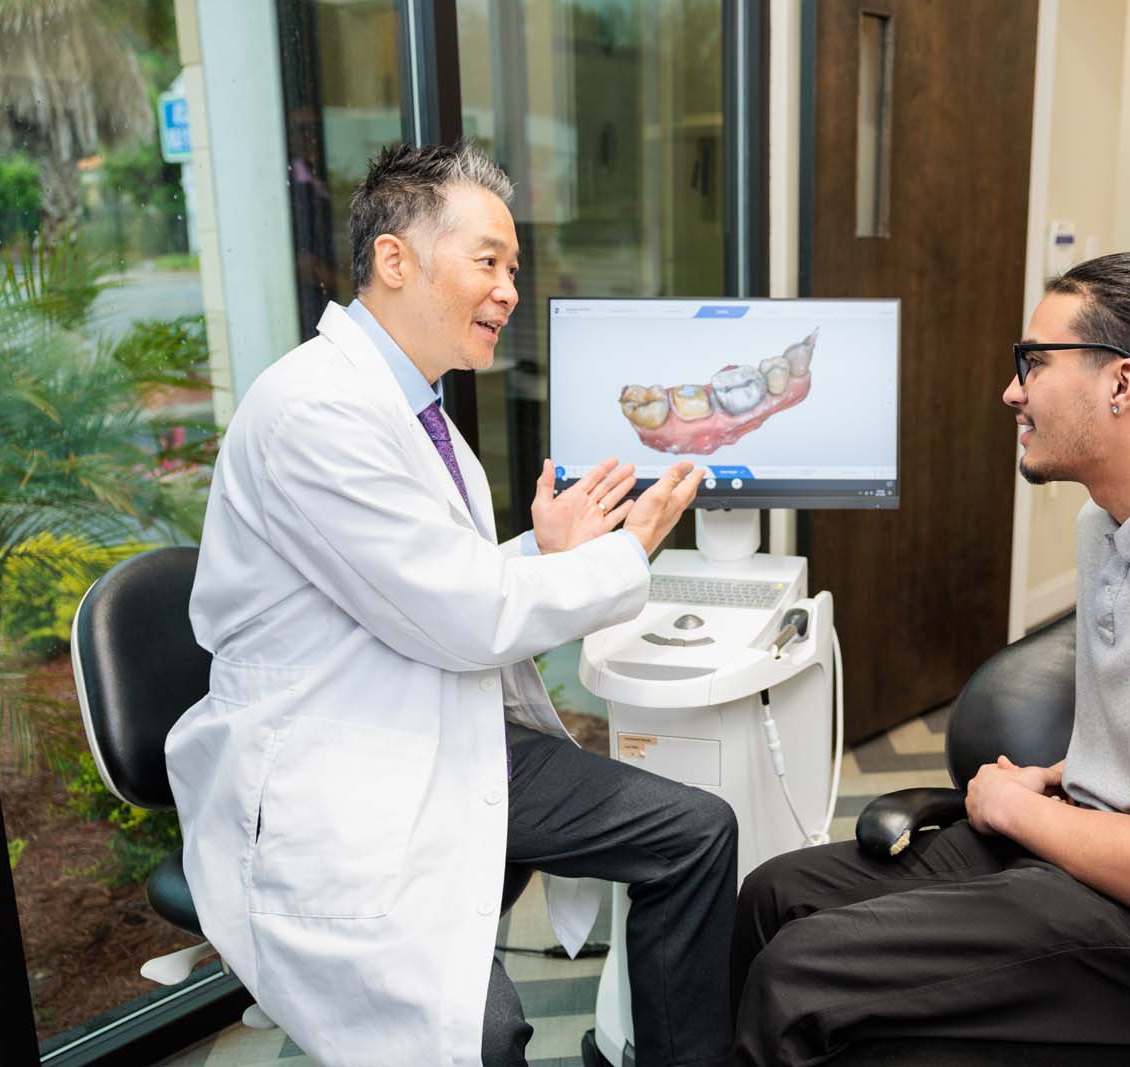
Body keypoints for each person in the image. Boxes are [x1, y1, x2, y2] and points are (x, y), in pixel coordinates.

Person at [166, 141, 736, 1067]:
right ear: (396, 260)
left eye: (514, 268)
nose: (510, 290)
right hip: (342, 762)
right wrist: (622, 553)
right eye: (489, 262)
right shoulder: (315, 411)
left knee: (694, 830)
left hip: (436, 722)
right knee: (482, 1034)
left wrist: (539, 552)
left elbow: (426, 581)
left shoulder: (421, 414)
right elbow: (460, 612)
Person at [730, 252, 1130, 1064]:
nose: (1012, 390)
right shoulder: (1109, 521)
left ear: (1123, 384)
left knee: (802, 978)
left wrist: (1014, 807)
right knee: (773, 898)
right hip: (1109, 853)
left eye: (1033, 363)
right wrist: (1072, 778)